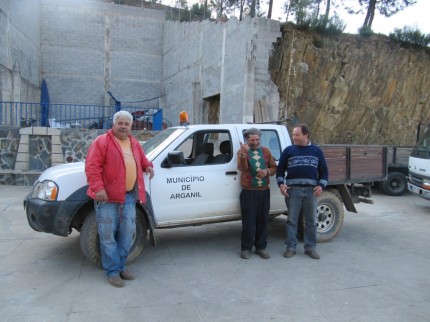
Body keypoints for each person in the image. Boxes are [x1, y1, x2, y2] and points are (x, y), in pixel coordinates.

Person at [85, 110, 154, 287]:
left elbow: (142, 160)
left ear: (131, 126)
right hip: (107, 198)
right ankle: (113, 271)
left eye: (127, 124)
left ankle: (121, 267)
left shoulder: (134, 143)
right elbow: (92, 167)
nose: (123, 126)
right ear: (114, 124)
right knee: (107, 236)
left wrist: (148, 166)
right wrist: (98, 188)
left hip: (129, 196)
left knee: (127, 234)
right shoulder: (102, 142)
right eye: (120, 123)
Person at [276, 124, 328, 260]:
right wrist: (281, 184)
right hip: (293, 191)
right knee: (292, 220)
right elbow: (280, 170)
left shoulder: (317, 151)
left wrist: (321, 185)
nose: (294, 137)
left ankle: (310, 247)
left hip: (311, 191)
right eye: (293, 134)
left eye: (297, 135)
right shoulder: (288, 151)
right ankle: (291, 247)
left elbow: (324, 172)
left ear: (306, 135)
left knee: (311, 221)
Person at [237, 128, 277, 259]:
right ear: (247, 140)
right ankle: (246, 248)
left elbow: (274, 167)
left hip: (264, 191)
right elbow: (242, 168)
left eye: (257, 139)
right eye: (252, 140)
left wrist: (267, 171)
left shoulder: (266, 151)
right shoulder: (242, 151)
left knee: (262, 220)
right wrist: (243, 154)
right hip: (249, 192)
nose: (255, 142)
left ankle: (261, 247)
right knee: (248, 221)